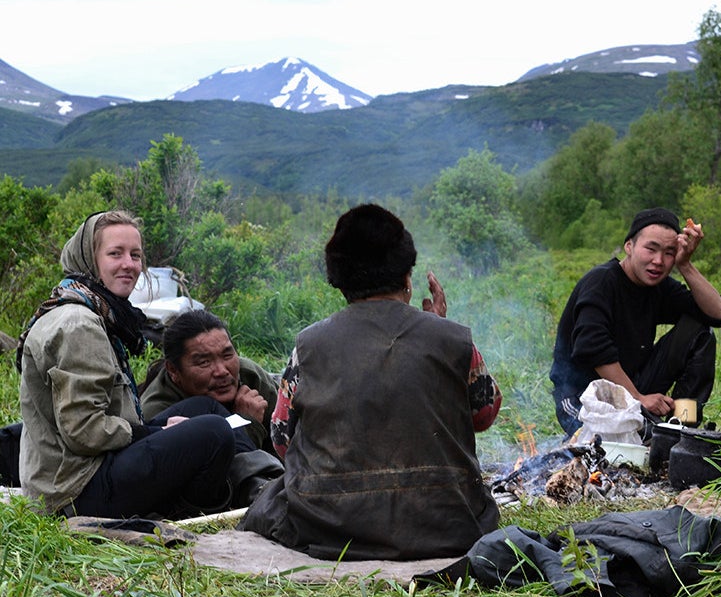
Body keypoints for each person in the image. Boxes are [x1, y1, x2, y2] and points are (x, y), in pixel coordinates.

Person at [239, 203, 502, 561]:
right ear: (407, 277)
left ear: (341, 284)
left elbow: (282, 440)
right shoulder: (452, 339)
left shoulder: (309, 344)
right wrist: (437, 327)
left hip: (330, 527)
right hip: (444, 524)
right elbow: (484, 414)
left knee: (271, 498)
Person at [16, 210, 236, 519]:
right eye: (115, 254)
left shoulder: (92, 309)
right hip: (75, 490)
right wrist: (150, 434)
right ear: (89, 259)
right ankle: (186, 511)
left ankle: (242, 479)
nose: (129, 265)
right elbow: (84, 431)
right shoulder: (80, 324)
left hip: (84, 468)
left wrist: (155, 430)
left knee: (203, 408)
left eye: (135, 255)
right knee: (214, 433)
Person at [550, 207, 721, 438]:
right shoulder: (602, 282)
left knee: (699, 332)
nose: (658, 261)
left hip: (632, 389)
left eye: (669, 253)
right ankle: (650, 431)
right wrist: (638, 399)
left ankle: (683, 428)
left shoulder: (658, 287)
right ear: (629, 247)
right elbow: (593, 349)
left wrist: (685, 265)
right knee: (614, 446)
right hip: (585, 398)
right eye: (651, 249)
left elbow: (718, 315)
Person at [140, 309, 277, 455]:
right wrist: (247, 424)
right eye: (204, 362)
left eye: (227, 355)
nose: (222, 371)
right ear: (173, 370)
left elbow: (292, 439)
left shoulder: (251, 377)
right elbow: (218, 472)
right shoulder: (158, 413)